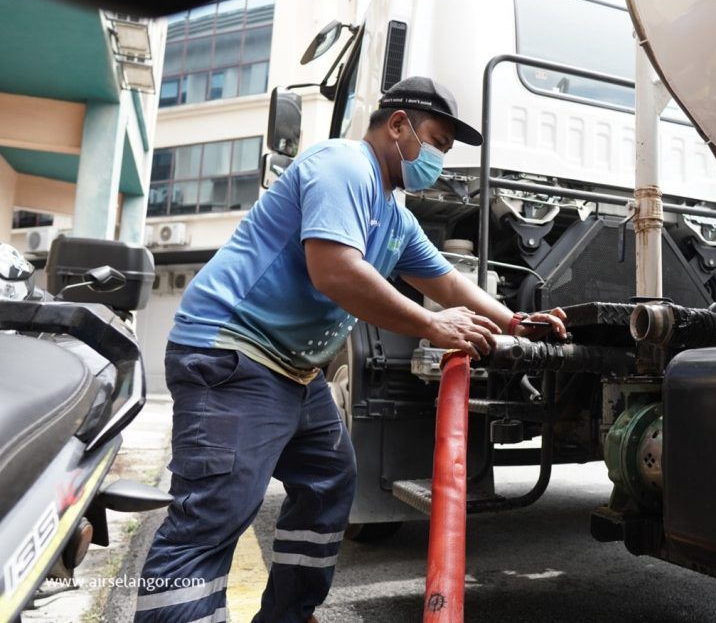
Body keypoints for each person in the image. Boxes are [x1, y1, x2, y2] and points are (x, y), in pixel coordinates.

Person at [133, 76, 567, 623]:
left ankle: (290, 615)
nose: (438, 159)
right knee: (215, 513)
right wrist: (433, 326)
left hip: (292, 370)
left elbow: (446, 280)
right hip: (234, 353)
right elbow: (336, 271)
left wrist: (516, 322)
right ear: (399, 125)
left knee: (328, 480)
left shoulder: (394, 214)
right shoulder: (343, 166)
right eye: (436, 142)